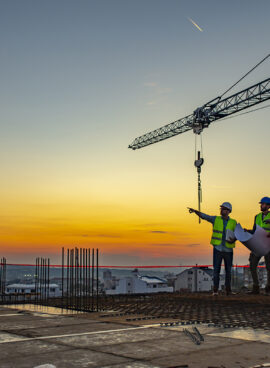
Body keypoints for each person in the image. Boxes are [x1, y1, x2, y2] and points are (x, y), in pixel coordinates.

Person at [188, 202, 237, 295]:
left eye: (223, 209)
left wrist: (234, 239)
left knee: (228, 271)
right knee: (216, 270)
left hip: (228, 250)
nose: (221, 210)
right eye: (221, 208)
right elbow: (204, 216)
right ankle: (215, 290)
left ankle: (228, 290)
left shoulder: (233, 222)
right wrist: (195, 211)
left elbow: (238, 234)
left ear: (228, 211)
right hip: (218, 249)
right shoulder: (216, 219)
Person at [245, 197, 270, 294]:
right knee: (252, 264)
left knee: (269, 267)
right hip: (258, 244)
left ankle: (268, 288)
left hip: (268, 245)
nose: (261, 205)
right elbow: (255, 230)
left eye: (263, 204)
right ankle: (256, 287)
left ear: (268, 206)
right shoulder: (257, 216)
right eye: (261, 204)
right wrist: (248, 231)